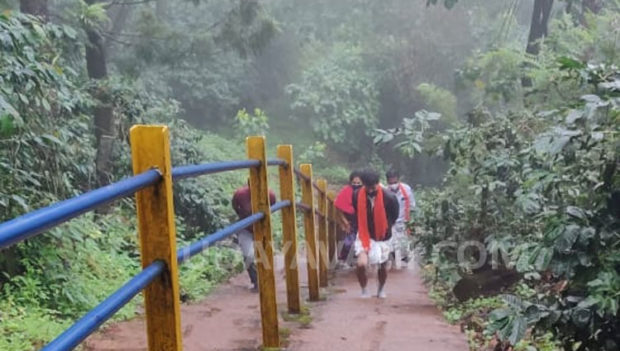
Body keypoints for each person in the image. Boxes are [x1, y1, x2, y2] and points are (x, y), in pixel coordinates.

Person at [353, 169, 399, 298]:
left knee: (382, 266)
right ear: (363, 184)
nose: (370, 190)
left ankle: (381, 288)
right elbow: (357, 212)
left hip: (383, 236)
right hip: (364, 233)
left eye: (373, 187)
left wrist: (383, 227)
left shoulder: (389, 197)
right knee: (361, 264)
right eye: (368, 187)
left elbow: (394, 216)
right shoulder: (356, 195)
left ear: (377, 184)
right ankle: (364, 289)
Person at [232, 181, 276, 292]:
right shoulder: (240, 194)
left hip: (262, 227)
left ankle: (267, 280)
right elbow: (235, 206)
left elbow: (273, 206)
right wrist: (244, 218)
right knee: (249, 255)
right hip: (245, 228)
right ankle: (256, 281)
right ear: (249, 184)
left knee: (264, 254)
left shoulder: (269, 194)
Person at [385, 169, 416, 268]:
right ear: (387, 182)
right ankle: (393, 262)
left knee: (403, 244)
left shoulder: (406, 189)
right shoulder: (385, 192)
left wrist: (413, 221)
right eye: (391, 182)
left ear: (398, 180)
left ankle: (404, 260)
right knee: (391, 244)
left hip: (404, 221)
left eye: (395, 182)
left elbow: (412, 206)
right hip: (391, 222)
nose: (393, 184)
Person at [333, 170, 363, 265]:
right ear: (350, 182)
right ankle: (345, 260)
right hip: (350, 222)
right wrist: (344, 222)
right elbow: (338, 207)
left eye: (359, 183)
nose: (356, 184)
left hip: (363, 222)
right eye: (354, 183)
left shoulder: (365, 191)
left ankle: (359, 260)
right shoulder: (346, 191)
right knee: (347, 243)